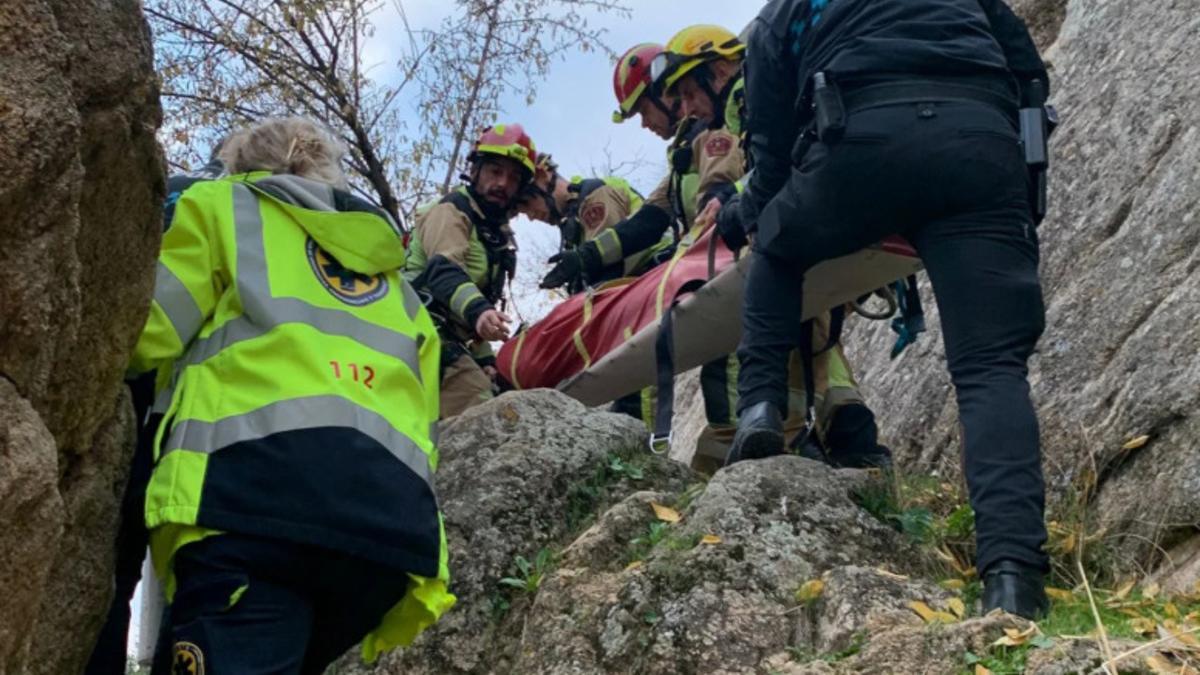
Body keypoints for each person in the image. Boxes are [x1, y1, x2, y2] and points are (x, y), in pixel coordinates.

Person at [719, 0, 1052, 618]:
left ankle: (760, 408)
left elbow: (766, 138)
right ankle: (1013, 582)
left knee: (777, 249)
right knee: (990, 371)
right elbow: (1028, 71)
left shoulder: (783, 13)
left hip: (859, 139)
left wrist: (751, 212)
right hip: (979, 144)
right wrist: (1028, 181)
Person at [127, 117, 454, 674]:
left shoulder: (224, 208)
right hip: (386, 538)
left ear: (241, 166)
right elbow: (422, 419)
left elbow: (145, 332)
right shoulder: (397, 286)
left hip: (252, 504)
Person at [656, 24, 891, 469]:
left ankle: (782, 452)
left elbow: (782, 161)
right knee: (819, 348)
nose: (687, 109)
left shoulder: (756, 93)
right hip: (825, 220)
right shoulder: (754, 97)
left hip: (797, 231)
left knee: (782, 343)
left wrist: (728, 201)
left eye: (689, 93)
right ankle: (852, 446)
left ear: (720, 70)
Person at [87, 141, 230, 675]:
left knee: (115, 573)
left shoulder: (172, 194)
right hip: (208, 419)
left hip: (133, 402)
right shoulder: (239, 211)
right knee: (192, 577)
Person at [404, 123, 535, 418]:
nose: (502, 183)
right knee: (482, 408)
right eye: (495, 171)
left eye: (513, 178)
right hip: (416, 327)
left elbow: (465, 314)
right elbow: (443, 271)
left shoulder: (492, 233)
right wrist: (479, 311)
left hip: (445, 336)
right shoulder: (452, 211)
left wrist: (486, 358)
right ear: (475, 170)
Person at [518, 153, 671, 294]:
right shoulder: (575, 217)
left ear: (543, 176)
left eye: (527, 202)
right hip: (648, 282)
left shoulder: (593, 197)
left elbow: (610, 271)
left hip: (660, 275)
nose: (531, 216)